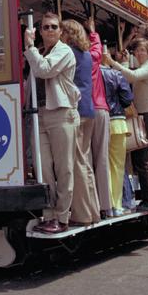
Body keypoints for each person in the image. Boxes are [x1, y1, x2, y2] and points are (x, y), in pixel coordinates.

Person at [23, 12, 80, 235]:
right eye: (45, 27)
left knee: (63, 168)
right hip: (40, 115)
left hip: (61, 114)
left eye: (53, 27)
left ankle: (62, 216)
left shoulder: (63, 51)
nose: (49, 30)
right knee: (43, 167)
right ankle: (49, 215)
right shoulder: (40, 52)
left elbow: (44, 70)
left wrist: (30, 47)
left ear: (61, 31)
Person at [109, 38, 148, 211]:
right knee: (147, 160)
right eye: (137, 50)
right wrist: (124, 62)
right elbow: (131, 74)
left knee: (143, 161)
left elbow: (132, 76)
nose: (138, 53)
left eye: (142, 50)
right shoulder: (146, 67)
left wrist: (112, 62)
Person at [60, 18, 101, 226]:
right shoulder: (86, 55)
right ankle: (93, 211)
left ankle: (82, 214)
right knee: (84, 163)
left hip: (76, 110)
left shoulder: (69, 54)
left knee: (77, 162)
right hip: (89, 109)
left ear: (68, 34)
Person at [100, 52, 135, 216]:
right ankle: (116, 205)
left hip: (99, 121)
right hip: (118, 122)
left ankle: (104, 205)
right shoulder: (115, 74)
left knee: (102, 165)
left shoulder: (92, 73)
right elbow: (128, 99)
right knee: (117, 166)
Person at [86, 20, 113, 216]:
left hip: (84, 111)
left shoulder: (72, 57)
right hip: (101, 109)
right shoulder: (92, 57)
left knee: (86, 160)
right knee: (101, 158)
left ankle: (91, 205)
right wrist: (93, 32)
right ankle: (107, 206)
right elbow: (97, 48)